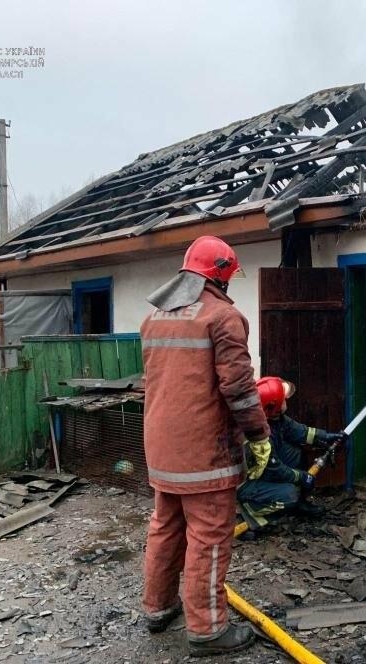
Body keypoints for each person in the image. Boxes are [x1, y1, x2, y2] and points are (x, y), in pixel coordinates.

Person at [140, 235, 268, 656]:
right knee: (209, 538)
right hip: (204, 454)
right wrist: (259, 435)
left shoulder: (154, 318)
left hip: (162, 450)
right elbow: (240, 389)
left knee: (166, 528)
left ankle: (158, 608)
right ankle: (208, 630)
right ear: (222, 274)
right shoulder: (223, 317)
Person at [237, 376, 345, 532]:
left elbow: (299, 431)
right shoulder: (257, 434)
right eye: (283, 400)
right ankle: (249, 515)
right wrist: (302, 477)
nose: (286, 402)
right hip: (247, 484)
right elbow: (275, 470)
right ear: (272, 406)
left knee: (294, 453)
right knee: (289, 494)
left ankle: (298, 504)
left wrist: (326, 436)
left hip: (265, 469)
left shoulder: (272, 417)